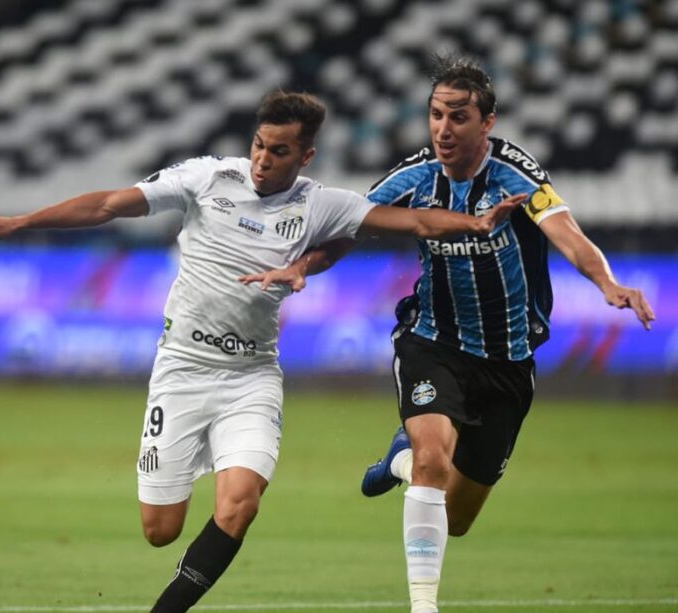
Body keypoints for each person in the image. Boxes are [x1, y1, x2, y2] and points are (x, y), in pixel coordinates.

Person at [0, 90, 521, 612]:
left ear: (305, 156)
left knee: (240, 504)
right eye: (259, 145)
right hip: (182, 370)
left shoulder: (319, 204)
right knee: (160, 529)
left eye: (279, 152)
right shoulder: (207, 177)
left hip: (251, 378)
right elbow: (109, 204)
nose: (262, 161)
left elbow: (415, 220)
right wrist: (21, 222)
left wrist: (473, 224)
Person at [239, 57, 656, 613]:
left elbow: (568, 234)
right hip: (432, 342)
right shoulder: (415, 176)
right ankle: (424, 605)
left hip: (508, 361)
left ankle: (400, 461)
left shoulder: (516, 175)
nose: (443, 128)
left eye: (458, 117)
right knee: (433, 462)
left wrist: (607, 282)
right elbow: (351, 226)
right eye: (436, 115)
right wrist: (302, 267)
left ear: (487, 123)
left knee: (455, 518)